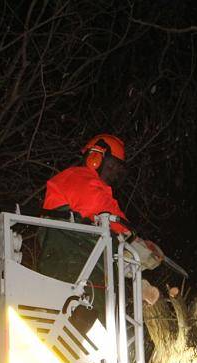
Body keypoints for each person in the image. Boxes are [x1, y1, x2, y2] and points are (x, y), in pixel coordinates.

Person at [38, 134, 161, 326]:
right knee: (81, 316)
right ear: (95, 158)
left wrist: (134, 252)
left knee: (98, 314)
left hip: (83, 264)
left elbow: (108, 219)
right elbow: (101, 207)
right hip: (68, 258)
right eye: (111, 166)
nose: (113, 173)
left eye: (117, 170)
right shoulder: (77, 177)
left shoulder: (95, 195)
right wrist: (131, 238)